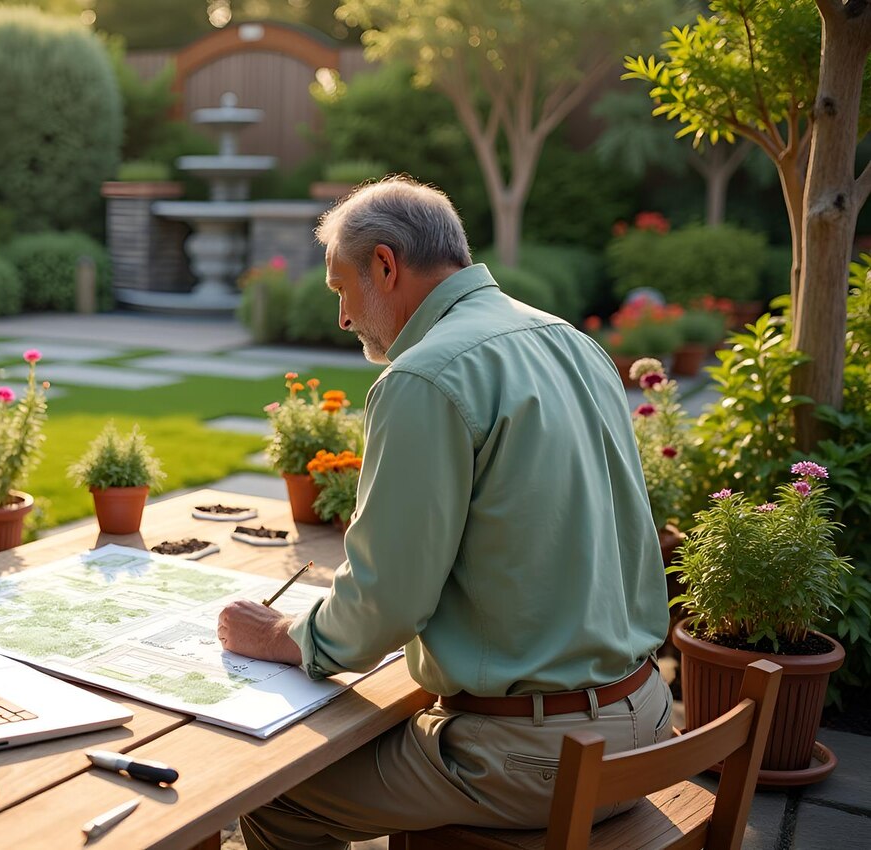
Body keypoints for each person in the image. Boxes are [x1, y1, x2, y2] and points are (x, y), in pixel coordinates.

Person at [217, 176, 670, 848]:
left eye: (341, 288)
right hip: (649, 720)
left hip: (534, 757)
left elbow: (388, 604)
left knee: (272, 795)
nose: (342, 317)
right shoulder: (571, 342)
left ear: (386, 266)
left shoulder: (422, 377)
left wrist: (283, 634)